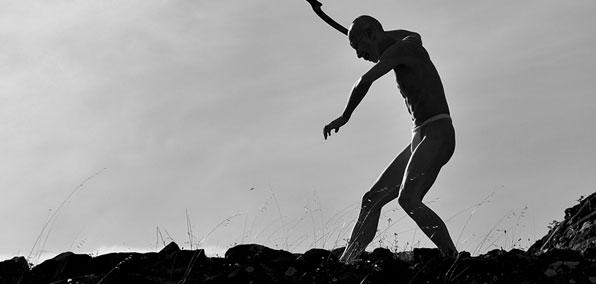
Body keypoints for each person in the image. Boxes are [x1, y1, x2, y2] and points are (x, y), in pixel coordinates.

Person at [322, 15, 457, 263]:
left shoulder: (404, 49)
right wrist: (366, 38)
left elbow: (365, 80)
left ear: (372, 34)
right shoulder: (406, 41)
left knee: (409, 198)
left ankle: (452, 256)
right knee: (372, 199)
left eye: (357, 48)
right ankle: (348, 260)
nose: (359, 56)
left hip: (438, 132)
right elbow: (404, 33)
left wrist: (344, 116)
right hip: (419, 136)